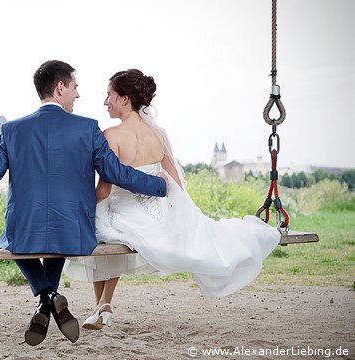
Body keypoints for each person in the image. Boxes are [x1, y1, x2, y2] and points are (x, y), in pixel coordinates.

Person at [0, 61, 168, 346]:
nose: (78, 95)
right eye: (75, 87)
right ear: (60, 88)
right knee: (57, 231)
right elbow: (116, 173)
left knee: (15, 240)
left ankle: (46, 297)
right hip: (74, 232)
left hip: (23, 232)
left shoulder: (11, 130)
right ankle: (49, 298)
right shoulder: (88, 128)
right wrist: (159, 186)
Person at [64, 69, 281, 331]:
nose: (105, 101)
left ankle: (103, 304)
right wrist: (180, 214)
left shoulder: (111, 136)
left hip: (122, 208)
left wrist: (76, 207)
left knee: (100, 224)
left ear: (124, 99)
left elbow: (104, 191)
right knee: (109, 230)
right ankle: (103, 306)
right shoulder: (158, 134)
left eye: (109, 95)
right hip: (155, 211)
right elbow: (175, 182)